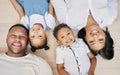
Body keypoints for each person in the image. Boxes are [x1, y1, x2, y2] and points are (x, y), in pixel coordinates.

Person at [51, 0, 117, 59]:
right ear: (105, 36)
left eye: (91, 41)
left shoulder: (68, 21)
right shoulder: (110, 17)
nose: (95, 36)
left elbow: (56, 1)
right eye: (100, 40)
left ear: (85, 39)